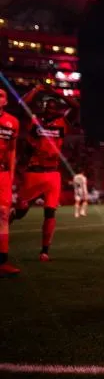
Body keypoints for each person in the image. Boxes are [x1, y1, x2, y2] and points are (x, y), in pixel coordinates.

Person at [12, 85, 79, 262]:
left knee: (50, 213)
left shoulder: (63, 122)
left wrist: (56, 92)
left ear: (57, 110)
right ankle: (8, 222)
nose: (50, 110)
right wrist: (37, 89)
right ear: (43, 108)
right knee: (20, 212)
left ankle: (44, 251)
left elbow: (76, 106)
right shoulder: (34, 120)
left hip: (52, 174)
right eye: (48, 107)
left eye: (54, 107)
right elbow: (22, 104)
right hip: (33, 173)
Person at [0, 88, 20, 276]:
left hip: (3, 174)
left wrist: (11, 174)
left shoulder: (12, 122)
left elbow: (12, 149)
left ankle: (2, 261)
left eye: (1, 95)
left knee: (3, 215)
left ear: (5, 101)